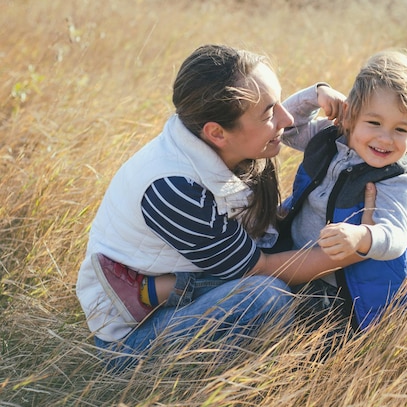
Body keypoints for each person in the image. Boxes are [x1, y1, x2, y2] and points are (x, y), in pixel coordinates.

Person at [75, 44, 367, 371]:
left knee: (306, 280)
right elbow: (258, 267)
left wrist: (319, 93)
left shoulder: (240, 148)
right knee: (267, 298)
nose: (285, 119)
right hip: (134, 341)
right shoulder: (174, 190)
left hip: (199, 290)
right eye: (270, 112)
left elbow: (268, 238)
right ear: (217, 132)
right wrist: (358, 250)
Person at [277, 49, 407, 332]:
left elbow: (396, 236)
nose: (385, 138)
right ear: (349, 116)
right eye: (374, 123)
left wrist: (361, 235)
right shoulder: (329, 139)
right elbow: (286, 129)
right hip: (296, 260)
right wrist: (317, 94)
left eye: (401, 129)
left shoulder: (397, 180)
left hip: (343, 294)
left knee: (313, 349)